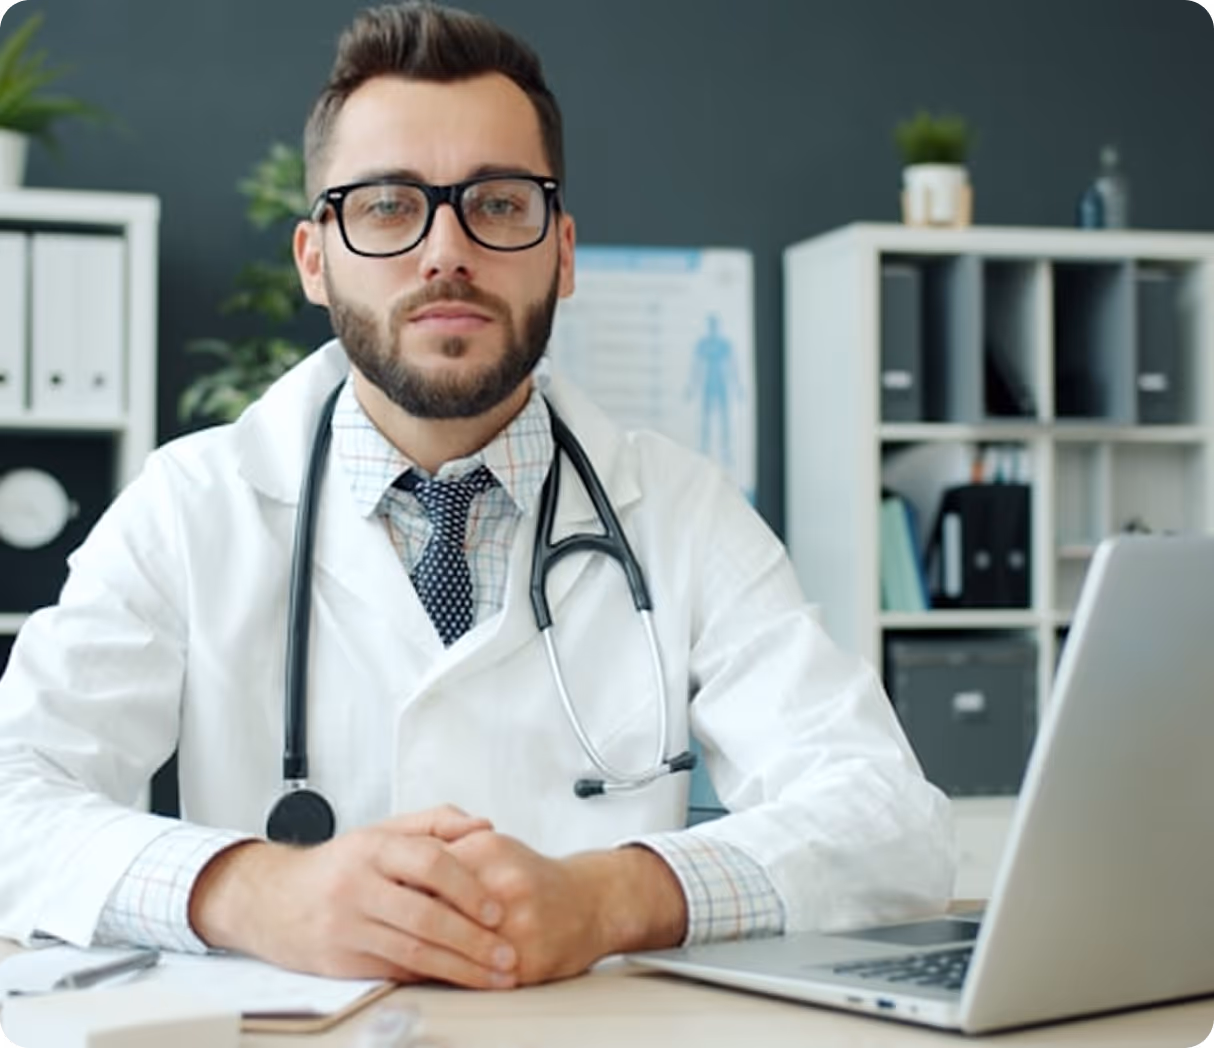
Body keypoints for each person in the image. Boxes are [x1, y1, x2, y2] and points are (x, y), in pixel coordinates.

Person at [0, 2, 953, 990]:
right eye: (385, 204)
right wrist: (250, 891)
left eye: (497, 202)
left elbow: (891, 823)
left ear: (563, 251)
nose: (445, 248)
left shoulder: (680, 511)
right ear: (314, 261)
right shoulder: (190, 505)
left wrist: (615, 896)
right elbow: (11, 798)